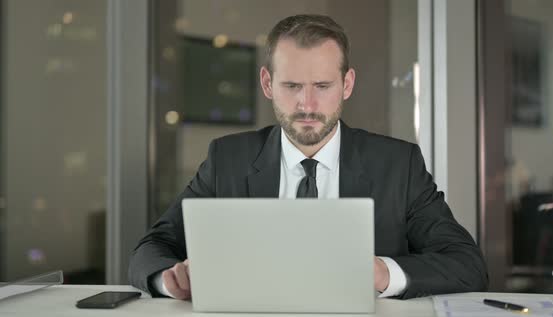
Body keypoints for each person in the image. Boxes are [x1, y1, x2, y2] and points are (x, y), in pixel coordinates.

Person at [128, 14, 488, 300]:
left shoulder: (399, 164)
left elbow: (466, 265)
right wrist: (167, 280)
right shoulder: (227, 158)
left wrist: (382, 273)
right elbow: (154, 247)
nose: (307, 105)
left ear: (346, 84)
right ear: (268, 83)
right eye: (292, 86)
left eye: (322, 86)